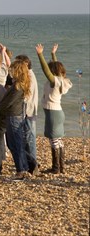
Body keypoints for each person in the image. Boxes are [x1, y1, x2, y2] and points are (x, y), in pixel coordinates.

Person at [36, 43, 72, 174]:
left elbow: (46, 70)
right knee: (58, 139)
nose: (49, 72)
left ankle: (56, 168)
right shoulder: (61, 80)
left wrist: (40, 55)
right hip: (57, 112)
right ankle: (60, 167)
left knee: (53, 140)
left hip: (53, 113)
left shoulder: (54, 81)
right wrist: (53, 54)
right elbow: (56, 69)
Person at [0, 60, 32, 179]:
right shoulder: (22, 83)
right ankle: (25, 167)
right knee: (16, 143)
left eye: (13, 70)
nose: (11, 72)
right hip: (17, 115)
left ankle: (21, 169)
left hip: (13, 116)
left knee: (15, 144)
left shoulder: (17, 86)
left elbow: (7, 103)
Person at [15, 54, 40, 175]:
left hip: (28, 110)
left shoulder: (28, 75)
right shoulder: (30, 74)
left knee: (29, 137)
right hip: (30, 109)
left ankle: (33, 164)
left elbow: (25, 95)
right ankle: (32, 163)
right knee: (28, 137)